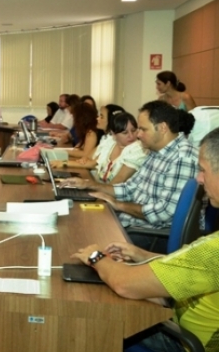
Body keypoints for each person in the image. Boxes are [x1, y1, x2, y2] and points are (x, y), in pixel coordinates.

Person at [70, 127, 219, 352]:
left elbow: (124, 284)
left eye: (203, 170)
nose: (197, 178)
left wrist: (95, 257)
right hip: (175, 312)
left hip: (180, 342)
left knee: (84, 323)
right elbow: (200, 269)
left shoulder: (213, 252)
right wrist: (144, 256)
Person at [61, 101, 198, 249]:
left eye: (142, 129)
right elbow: (129, 188)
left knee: (85, 237)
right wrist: (89, 185)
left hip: (152, 234)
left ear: (163, 128)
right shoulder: (156, 151)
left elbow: (162, 213)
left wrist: (118, 205)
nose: (138, 134)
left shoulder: (182, 158)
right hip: (134, 223)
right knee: (78, 220)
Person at [53, 111, 147, 184]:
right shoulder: (110, 143)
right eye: (125, 133)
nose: (131, 136)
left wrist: (89, 185)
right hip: (102, 189)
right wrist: (63, 163)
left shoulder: (138, 149)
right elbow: (92, 163)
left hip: (113, 196)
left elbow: (116, 184)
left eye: (134, 131)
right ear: (113, 134)